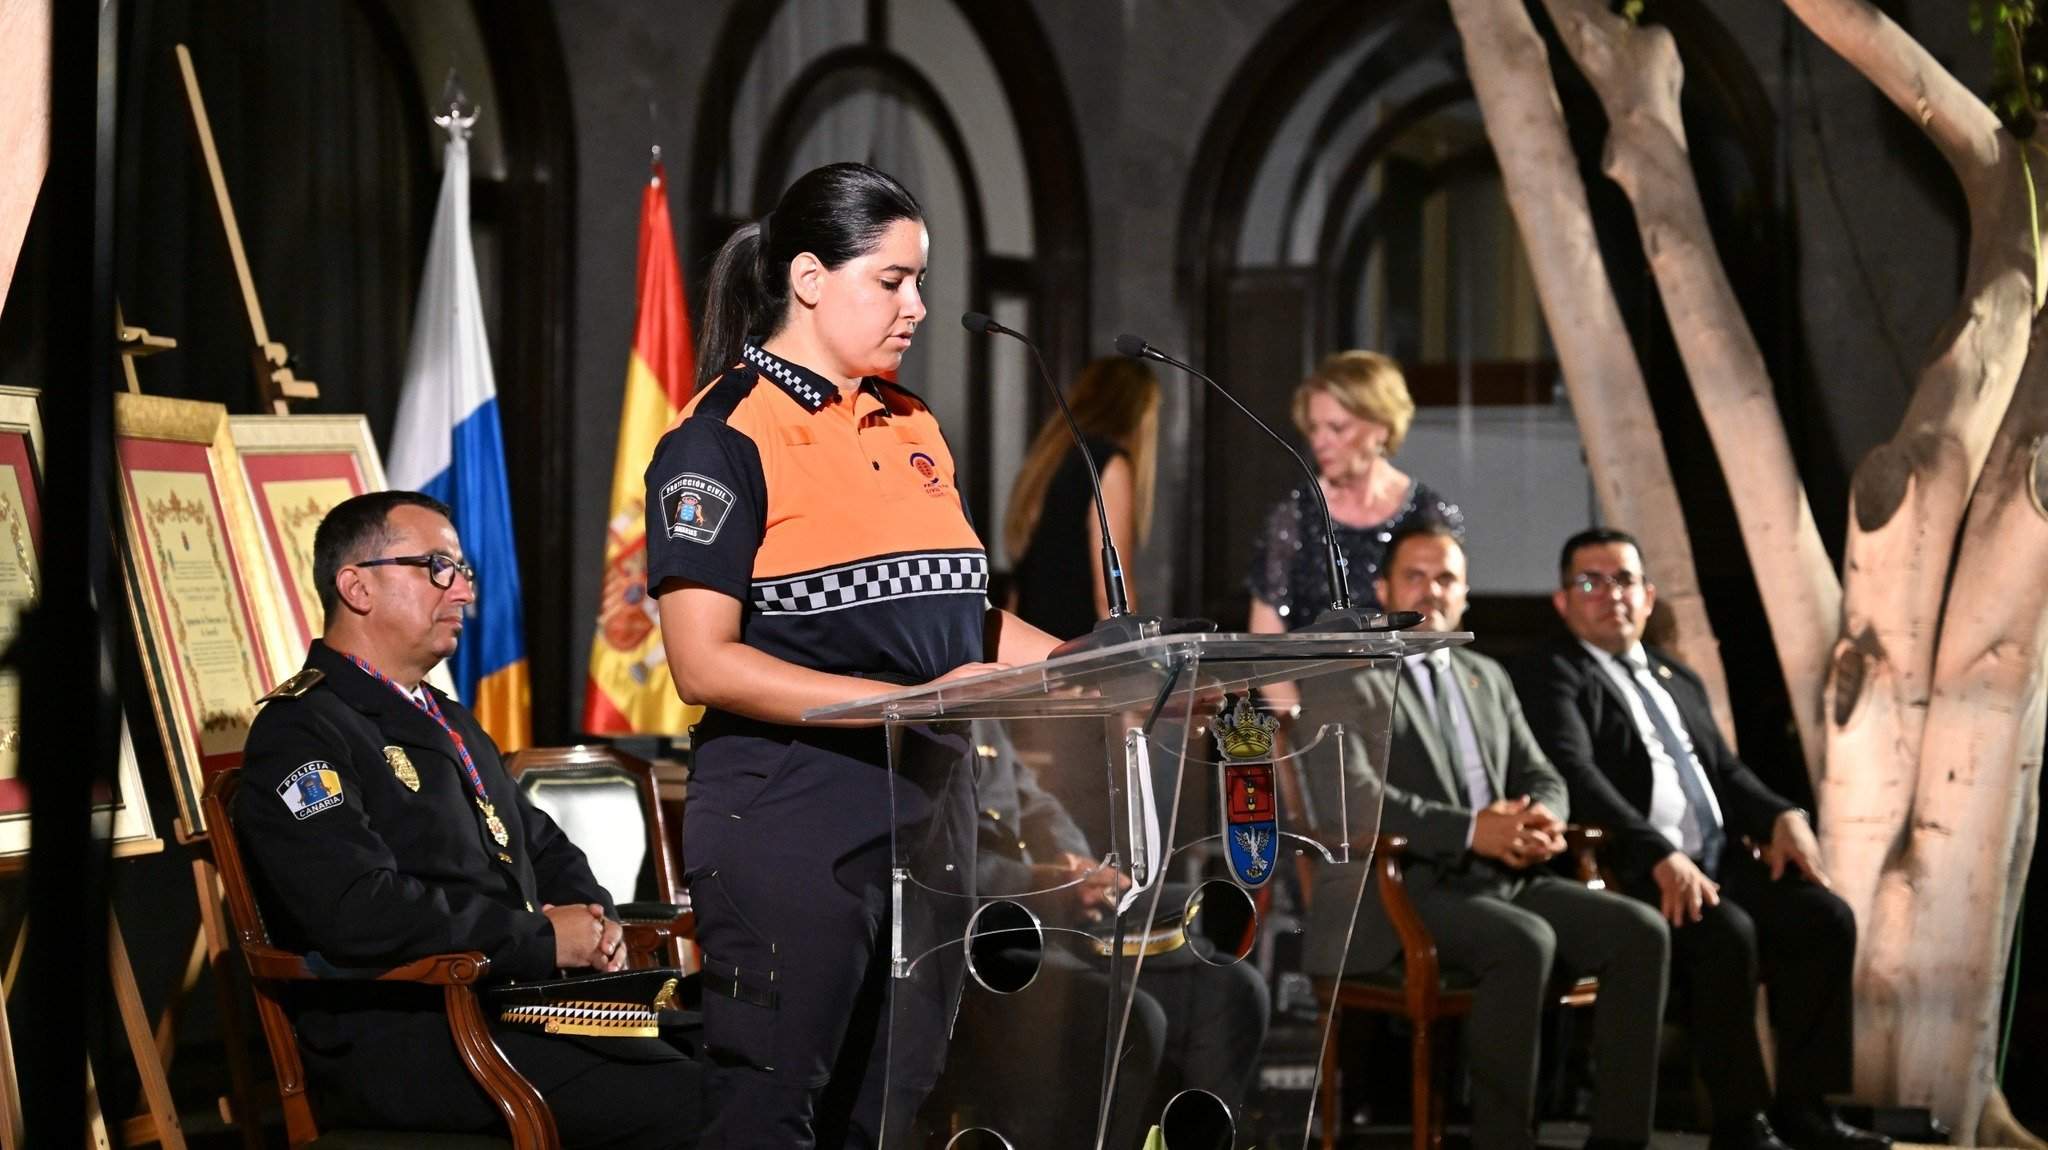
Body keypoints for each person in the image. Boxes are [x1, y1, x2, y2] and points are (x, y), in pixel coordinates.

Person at [644, 162, 1062, 1148]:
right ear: (807, 279)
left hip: (930, 818)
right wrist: (904, 702)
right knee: (774, 1111)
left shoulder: (913, 423)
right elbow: (702, 664)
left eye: (920, 282)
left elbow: (961, 621)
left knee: (892, 1109)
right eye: (892, 280)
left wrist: (1105, 666)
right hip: (794, 818)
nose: (917, 306)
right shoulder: (721, 436)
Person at [236, 491, 698, 1149]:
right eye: (436, 568)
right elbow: (356, 909)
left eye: (462, 571)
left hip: (507, 1006)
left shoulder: (444, 717)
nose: (464, 592)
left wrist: (595, 924)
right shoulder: (302, 729)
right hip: (405, 1033)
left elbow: (540, 844)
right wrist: (540, 939)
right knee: (705, 1105)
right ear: (356, 587)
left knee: (759, 1065)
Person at [1510, 528, 1889, 1150]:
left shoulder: (1675, 675)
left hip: (1716, 861)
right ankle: (1740, 1122)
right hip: (1633, 867)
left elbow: (1726, 771)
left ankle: (1807, 1110)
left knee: (1823, 917)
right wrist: (1658, 851)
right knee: (1726, 933)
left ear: (1648, 596)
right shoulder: (1552, 673)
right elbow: (1574, 776)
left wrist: (1782, 816)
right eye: (1590, 582)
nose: (1611, 595)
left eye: (1624, 580)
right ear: (1563, 601)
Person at [1299, 523, 1669, 1150]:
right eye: (1415, 576)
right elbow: (1353, 804)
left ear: (1466, 591)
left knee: (1640, 931)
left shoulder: (1486, 675)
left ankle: (1619, 1142)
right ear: (1383, 590)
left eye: (1446, 578)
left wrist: (1540, 818)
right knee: (1523, 940)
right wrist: (1473, 830)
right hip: (1400, 887)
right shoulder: (1345, 675)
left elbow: (1542, 774)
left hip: (1505, 878)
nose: (1432, 590)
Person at [936, 722, 1270, 1148]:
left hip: (1057, 919)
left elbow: (1036, 805)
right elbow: (936, 863)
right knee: (1135, 1018)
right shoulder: (922, 710)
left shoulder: (984, 717)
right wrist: (1040, 883)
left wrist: (1083, 869)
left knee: (1231, 989)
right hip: (984, 938)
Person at [1246, 350, 1461, 713]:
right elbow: (1266, 640)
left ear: (1381, 427)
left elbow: (1444, 623)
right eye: (1314, 428)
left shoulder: (1428, 513)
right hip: (1313, 711)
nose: (1320, 441)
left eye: (1336, 428)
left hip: (1409, 710)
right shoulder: (1294, 516)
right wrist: (1300, 725)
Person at [1003, 355, 1160, 640]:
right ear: (1139, 414)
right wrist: (1143, 658)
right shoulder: (1109, 466)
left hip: (1036, 650)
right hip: (1080, 654)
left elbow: (1019, 587)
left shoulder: (1048, 461)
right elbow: (1112, 600)